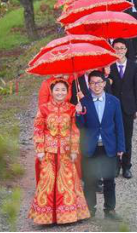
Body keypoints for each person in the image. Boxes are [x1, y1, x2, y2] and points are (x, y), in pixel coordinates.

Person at [28, 79, 90, 225]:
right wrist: (40, 149)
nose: (60, 92)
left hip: (66, 152)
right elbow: (38, 130)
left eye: (63, 89)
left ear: (67, 92)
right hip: (48, 152)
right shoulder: (43, 109)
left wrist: (75, 150)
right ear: (51, 91)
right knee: (47, 182)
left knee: (67, 182)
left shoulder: (72, 109)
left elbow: (75, 131)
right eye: (57, 89)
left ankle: (68, 216)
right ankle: (46, 218)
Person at [76, 71, 125, 221]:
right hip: (90, 147)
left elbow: (119, 126)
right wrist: (78, 114)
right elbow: (81, 126)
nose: (96, 85)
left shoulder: (114, 101)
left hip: (108, 146)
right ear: (88, 85)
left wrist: (120, 147)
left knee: (109, 180)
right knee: (90, 180)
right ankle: (89, 209)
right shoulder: (84, 103)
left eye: (99, 82)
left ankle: (109, 210)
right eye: (92, 83)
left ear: (104, 83)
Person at [108, 39, 137, 179]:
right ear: (113, 49)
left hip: (128, 108)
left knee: (127, 137)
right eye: (116, 48)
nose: (119, 51)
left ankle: (126, 166)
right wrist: (106, 75)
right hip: (113, 108)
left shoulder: (134, 66)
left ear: (126, 50)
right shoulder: (109, 67)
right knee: (114, 136)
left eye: (122, 48)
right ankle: (115, 165)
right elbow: (106, 88)